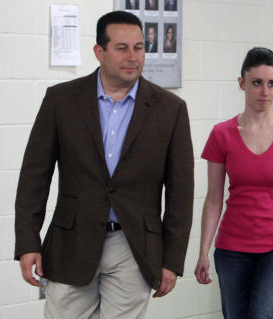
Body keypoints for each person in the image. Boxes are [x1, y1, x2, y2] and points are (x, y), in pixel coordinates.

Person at [14, 11, 194, 319]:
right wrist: (28, 241)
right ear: (100, 52)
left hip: (134, 245)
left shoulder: (170, 109)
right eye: (122, 48)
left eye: (139, 48)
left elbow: (181, 191)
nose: (133, 57)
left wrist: (173, 259)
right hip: (73, 240)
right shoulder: (62, 100)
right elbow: (34, 176)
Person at [194, 47, 273, 319]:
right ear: (242, 84)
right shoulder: (222, 134)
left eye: (271, 83)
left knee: (263, 314)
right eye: (257, 83)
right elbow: (214, 197)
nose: (265, 91)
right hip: (232, 246)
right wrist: (203, 250)